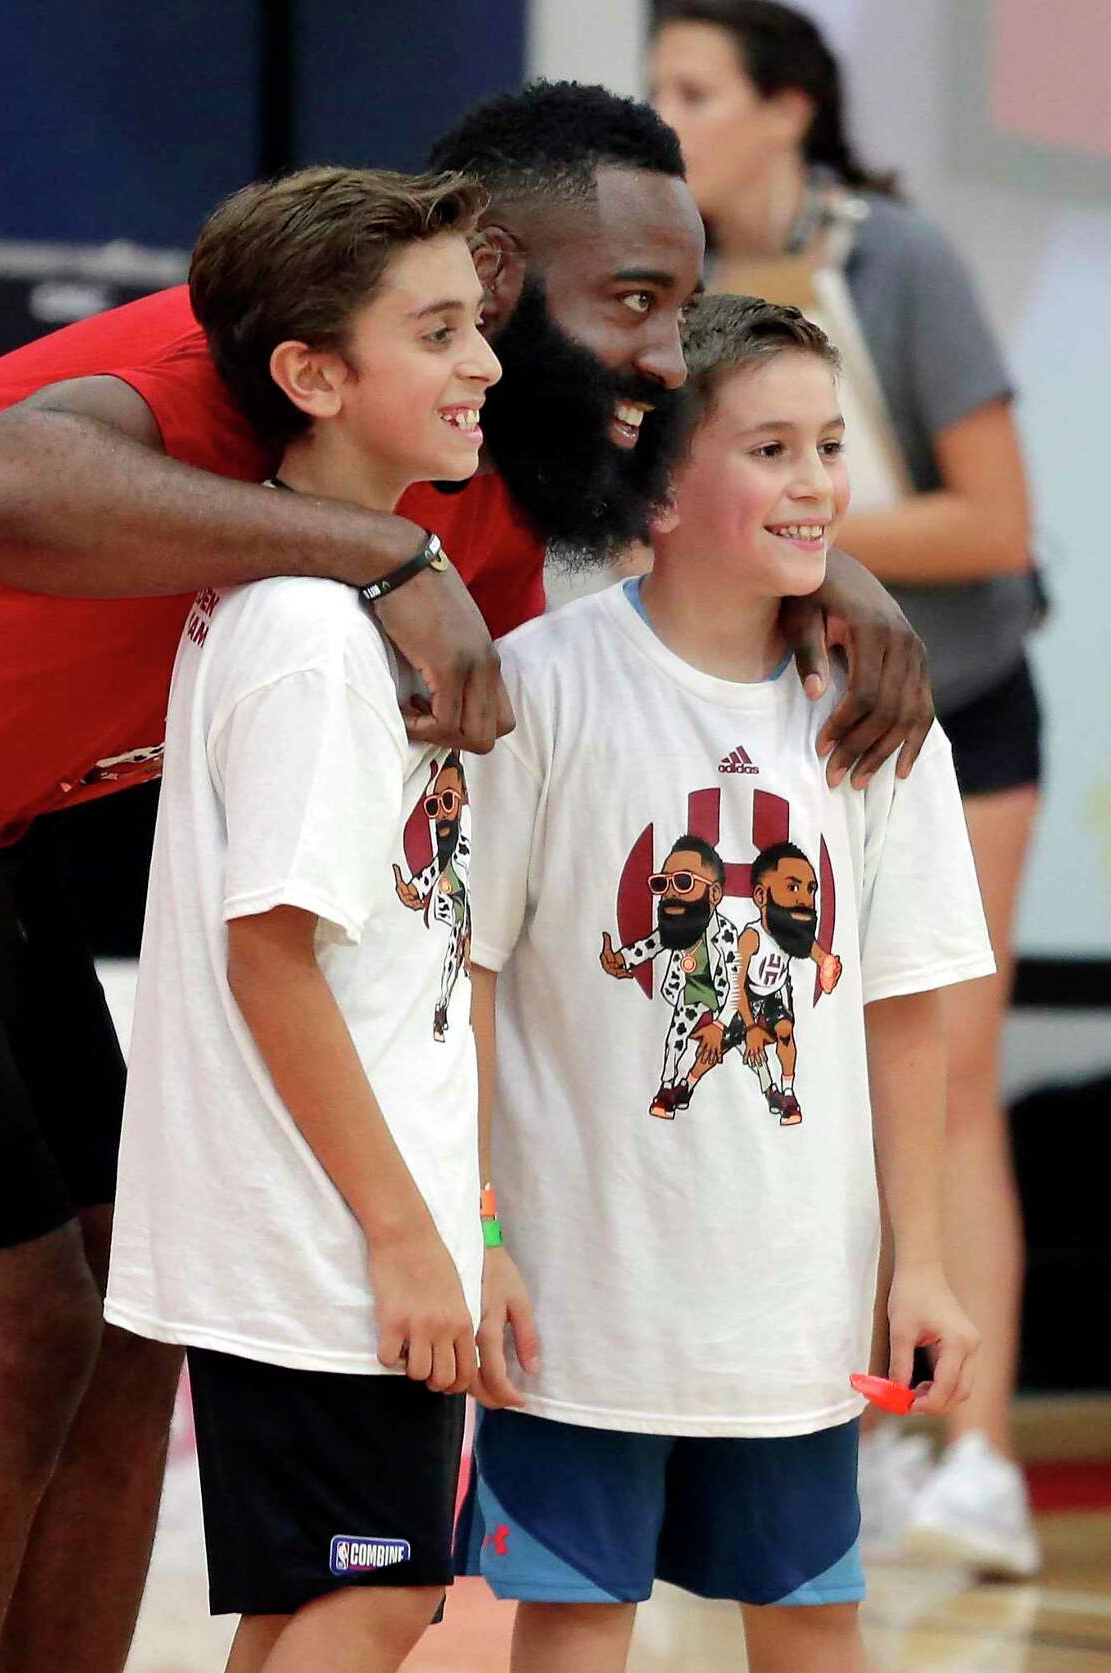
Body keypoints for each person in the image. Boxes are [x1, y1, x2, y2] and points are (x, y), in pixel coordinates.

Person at [0, 79, 932, 1672]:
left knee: (121, 1329)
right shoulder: (261, 374)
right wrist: (377, 558)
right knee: (14, 1330)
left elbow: (705, 460)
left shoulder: (499, 461)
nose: (666, 356)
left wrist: (829, 562)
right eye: (638, 304)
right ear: (489, 292)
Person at [457, 294, 987, 1673]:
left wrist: (915, 1259)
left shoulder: (877, 713)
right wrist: (487, 1233)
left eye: (829, 444)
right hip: (581, 1294)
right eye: (771, 447)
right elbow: (471, 981)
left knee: (814, 1620)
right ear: (660, 480)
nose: (816, 481)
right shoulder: (541, 686)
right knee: (576, 1617)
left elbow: (907, 1002)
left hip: (793, 1304)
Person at [649, 1, 1042, 1576]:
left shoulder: (902, 259)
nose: (665, 117)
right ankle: (826, 1415)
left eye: (695, 89)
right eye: (654, 88)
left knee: (943, 1065)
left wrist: (814, 528)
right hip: (759, 717)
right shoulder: (661, 291)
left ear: (791, 109)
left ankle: (980, 1448)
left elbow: (999, 523)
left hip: (952, 707)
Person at [104, 163, 503, 1673]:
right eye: (441, 330)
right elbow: (267, 950)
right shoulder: (311, 634)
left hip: (332, 1219)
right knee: (378, 1591)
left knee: (317, 1598)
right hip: (328, 1235)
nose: (485, 363)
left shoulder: (310, 587)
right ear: (314, 374)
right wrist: (407, 1239)